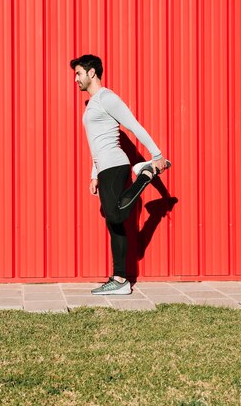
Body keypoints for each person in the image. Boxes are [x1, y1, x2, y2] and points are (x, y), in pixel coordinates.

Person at [70, 54, 171, 295]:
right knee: (115, 225)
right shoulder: (93, 103)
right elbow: (95, 142)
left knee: (115, 216)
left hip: (116, 165)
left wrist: (156, 155)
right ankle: (120, 280)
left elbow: (133, 124)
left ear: (92, 72)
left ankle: (146, 175)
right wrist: (94, 173)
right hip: (104, 168)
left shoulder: (107, 98)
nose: (76, 79)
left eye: (79, 73)